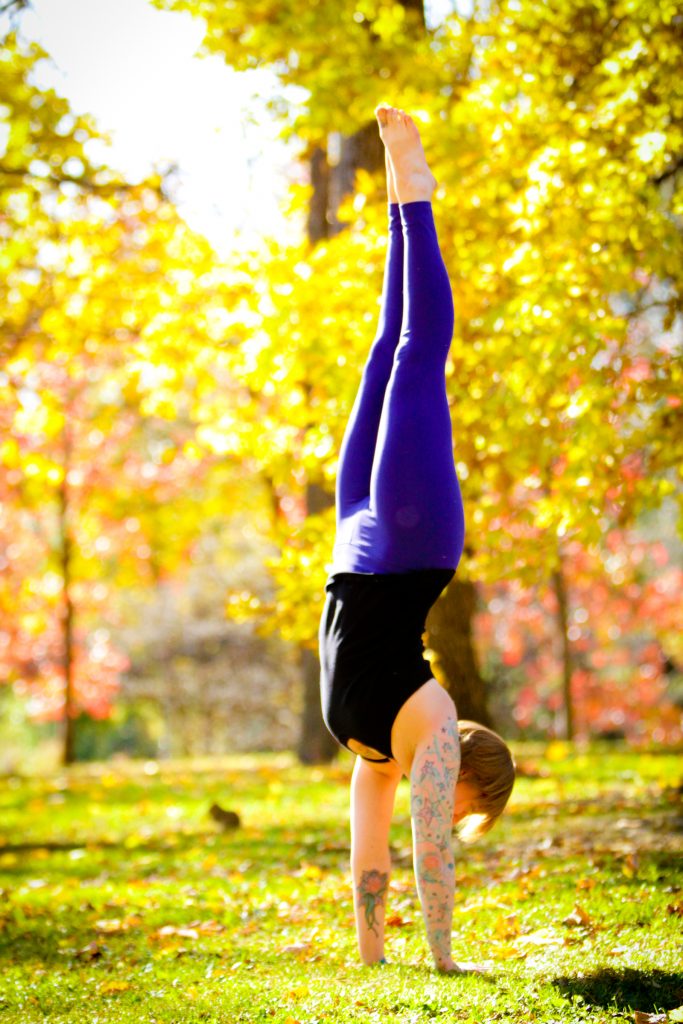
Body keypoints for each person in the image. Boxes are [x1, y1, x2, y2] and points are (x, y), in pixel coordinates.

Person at [319, 104, 515, 974]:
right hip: (410, 542)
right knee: (415, 356)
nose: (451, 816)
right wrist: (443, 961)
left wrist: (372, 957)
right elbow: (427, 852)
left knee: (380, 353)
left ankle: (400, 195)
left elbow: (372, 858)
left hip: (354, 541)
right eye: (470, 807)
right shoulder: (430, 731)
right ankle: (417, 194)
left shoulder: (373, 755)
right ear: (470, 774)